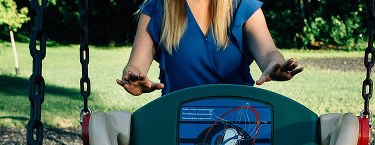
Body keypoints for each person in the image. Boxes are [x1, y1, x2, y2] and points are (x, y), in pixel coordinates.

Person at [117, 0, 303, 96]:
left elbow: (268, 52)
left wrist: (274, 64)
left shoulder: (242, 4)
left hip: (236, 120)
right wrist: (132, 76)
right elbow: (136, 65)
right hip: (179, 119)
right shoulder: (157, 7)